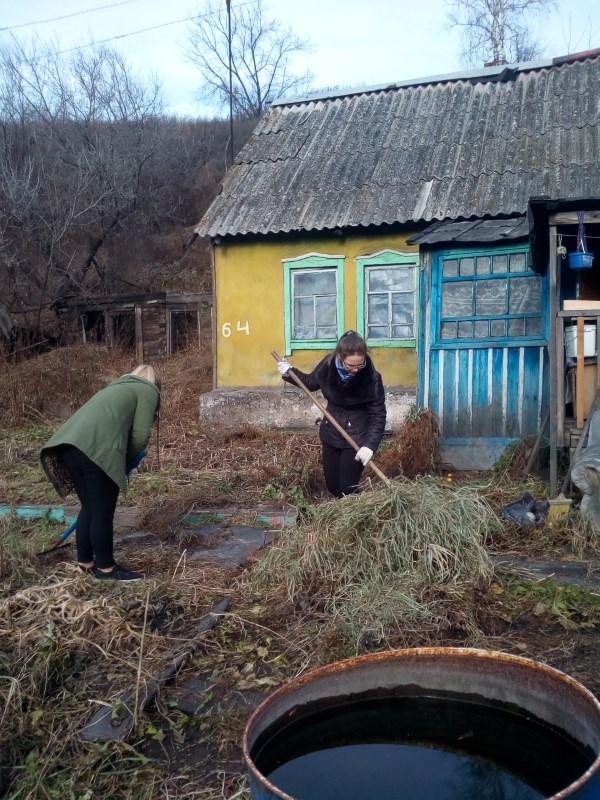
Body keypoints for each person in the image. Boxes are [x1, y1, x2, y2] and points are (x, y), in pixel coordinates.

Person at [40, 364, 161, 582]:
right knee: (103, 511)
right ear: (154, 382)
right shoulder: (148, 390)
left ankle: (86, 562)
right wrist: (123, 460)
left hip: (68, 447)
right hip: (96, 450)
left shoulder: (115, 387)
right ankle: (107, 570)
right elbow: (141, 434)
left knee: (90, 507)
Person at [278, 331, 386, 498]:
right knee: (333, 486)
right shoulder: (328, 365)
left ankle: (357, 515)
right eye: (351, 366)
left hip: (356, 437)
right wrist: (289, 372)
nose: (356, 370)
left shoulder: (372, 378)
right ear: (340, 357)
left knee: (347, 489)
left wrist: (369, 446)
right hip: (331, 432)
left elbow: (378, 414)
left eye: (360, 365)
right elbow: (311, 382)